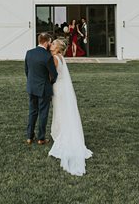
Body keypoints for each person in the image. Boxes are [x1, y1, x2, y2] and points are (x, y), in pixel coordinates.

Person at [48, 39, 93, 176]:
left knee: (60, 112)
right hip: (62, 88)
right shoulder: (61, 57)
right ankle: (61, 131)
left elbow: (52, 76)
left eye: (53, 44)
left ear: (58, 48)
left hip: (58, 89)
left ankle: (61, 133)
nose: (51, 45)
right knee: (63, 111)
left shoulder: (55, 58)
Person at [24, 33, 58, 145]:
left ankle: (29, 137)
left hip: (31, 87)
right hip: (43, 89)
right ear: (46, 42)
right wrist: (50, 83)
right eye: (50, 42)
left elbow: (27, 71)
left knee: (32, 112)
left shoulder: (29, 53)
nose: (50, 44)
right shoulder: (47, 56)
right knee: (43, 113)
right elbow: (54, 75)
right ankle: (41, 138)